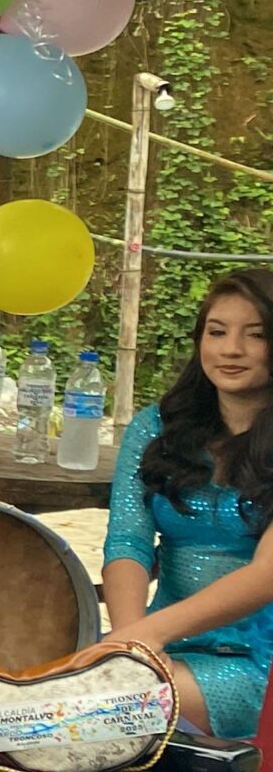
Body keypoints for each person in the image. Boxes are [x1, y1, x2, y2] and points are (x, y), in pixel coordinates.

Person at [101, 270, 273, 736]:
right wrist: (130, 642)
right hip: (155, 647)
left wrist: (146, 639)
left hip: (253, 660)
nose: (230, 349)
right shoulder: (155, 427)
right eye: (217, 332)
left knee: (88, 709)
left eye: (255, 335)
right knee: (51, 690)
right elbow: (127, 541)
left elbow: (265, 574)